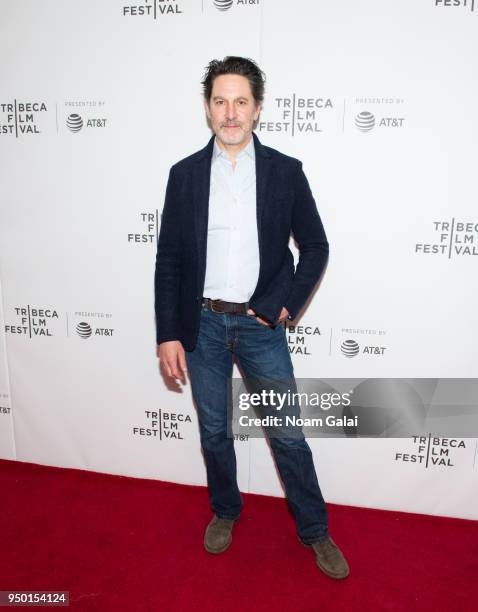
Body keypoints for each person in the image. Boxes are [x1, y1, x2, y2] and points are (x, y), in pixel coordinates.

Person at [154, 56, 349, 579]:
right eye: (221, 101)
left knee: (287, 434)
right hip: (202, 327)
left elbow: (315, 246)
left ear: (258, 109)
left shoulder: (286, 172)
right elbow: (169, 258)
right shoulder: (185, 175)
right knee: (214, 430)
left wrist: (284, 304)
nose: (231, 112)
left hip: (261, 326)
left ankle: (315, 530)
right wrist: (168, 332)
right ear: (207, 109)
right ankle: (225, 509)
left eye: (241, 101)